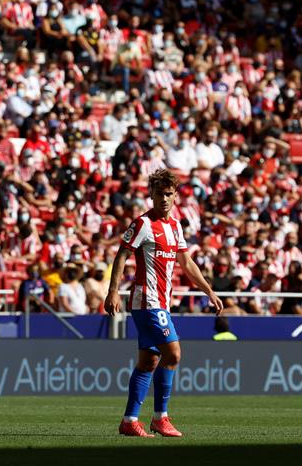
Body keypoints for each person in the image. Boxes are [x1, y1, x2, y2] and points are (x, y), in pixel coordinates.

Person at [104, 168, 223, 438]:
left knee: (149, 361)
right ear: (152, 195)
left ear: (175, 196)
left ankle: (129, 421)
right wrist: (113, 291)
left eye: (169, 194)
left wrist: (208, 291)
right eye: (159, 194)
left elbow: (186, 263)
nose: (165, 200)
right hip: (147, 302)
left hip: (161, 303)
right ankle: (161, 417)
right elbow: (122, 255)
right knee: (174, 354)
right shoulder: (143, 224)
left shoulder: (175, 226)